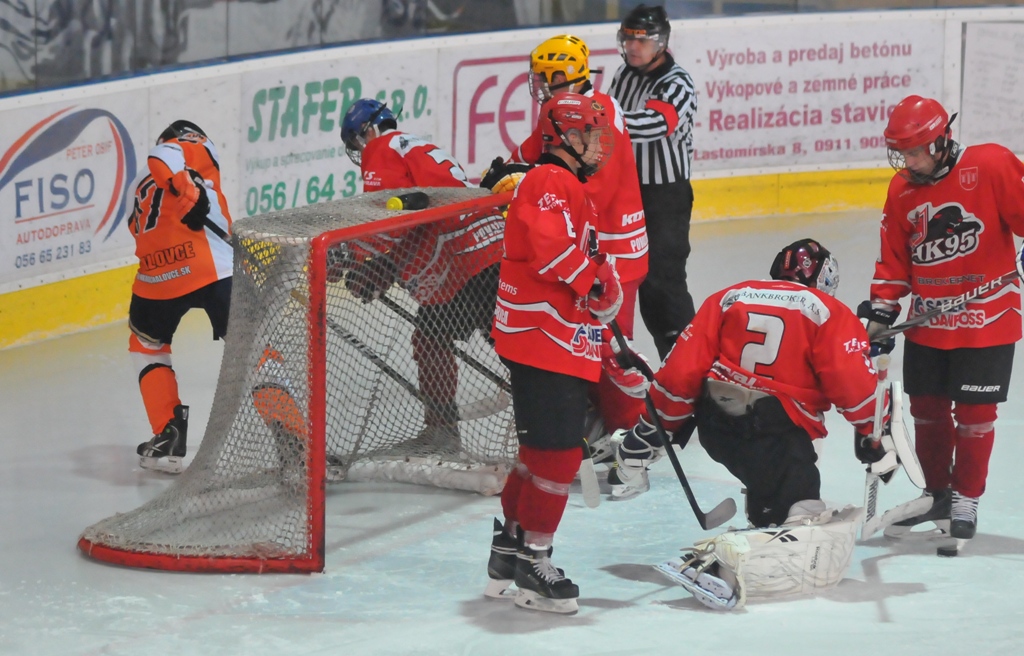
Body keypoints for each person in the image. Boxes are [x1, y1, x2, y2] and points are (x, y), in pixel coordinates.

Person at [608, 238, 889, 608]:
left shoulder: (730, 297)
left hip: (716, 426)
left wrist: (654, 428)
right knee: (804, 511)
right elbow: (853, 388)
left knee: (771, 505)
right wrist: (874, 431)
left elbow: (680, 373)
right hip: (775, 432)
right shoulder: (829, 312)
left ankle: (758, 529)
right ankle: (716, 566)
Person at [859, 94, 1024, 545]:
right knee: (926, 412)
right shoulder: (902, 190)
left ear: (941, 141)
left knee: (975, 414)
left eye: (915, 152)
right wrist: (882, 312)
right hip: (929, 322)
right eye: (901, 153)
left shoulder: (990, 165)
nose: (908, 163)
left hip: (989, 317)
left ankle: (966, 497)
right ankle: (938, 494)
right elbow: (894, 261)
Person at [484, 92, 620, 614]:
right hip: (542, 339)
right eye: (591, 134)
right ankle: (534, 563)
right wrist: (594, 284)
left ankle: (508, 549)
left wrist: (602, 281)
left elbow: (576, 251)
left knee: (538, 455)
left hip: (549, 337)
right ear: (565, 136)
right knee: (558, 458)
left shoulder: (564, 184)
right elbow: (550, 251)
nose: (598, 145)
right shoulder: (548, 180)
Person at [481, 33, 648, 454]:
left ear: (563, 75)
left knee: (608, 351)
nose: (538, 85)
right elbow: (528, 157)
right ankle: (594, 426)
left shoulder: (597, 114)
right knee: (583, 345)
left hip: (615, 253)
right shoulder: (563, 112)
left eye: (545, 77)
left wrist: (526, 186)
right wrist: (506, 175)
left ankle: (631, 440)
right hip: (590, 252)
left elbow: (593, 190)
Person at [339, 98, 504, 452]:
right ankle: (442, 431)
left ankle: (577, 419)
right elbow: (418, 213)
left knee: (516, 351)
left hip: (466, 259)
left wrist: (350, 255)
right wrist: (385, 267)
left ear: (367, 131)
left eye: (356, 140)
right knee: (431, 337)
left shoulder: (380, 149)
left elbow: (391, 219)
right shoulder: (414, 147)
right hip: (485, 248)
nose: (359, 149)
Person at [129, 120, 233, 474]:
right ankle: (293, 438)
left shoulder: (136, 183)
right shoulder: (191, 145)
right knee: (256, 349)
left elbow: (136, 226)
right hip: (212, 267)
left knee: (146, 344)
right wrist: (188, 189)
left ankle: (168, 434)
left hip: (155, 276)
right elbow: (163, 155)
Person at [608, 4, 698, 360]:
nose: (633, 47)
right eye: (629, 39)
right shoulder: (624, 74)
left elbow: (655, 124)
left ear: (660, 43)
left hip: (666, 197)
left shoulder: (678, 83)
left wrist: (598, 116)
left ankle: (688, 364)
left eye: (642, 40)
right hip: (627, 193)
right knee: (632, 278)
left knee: (664, 281)